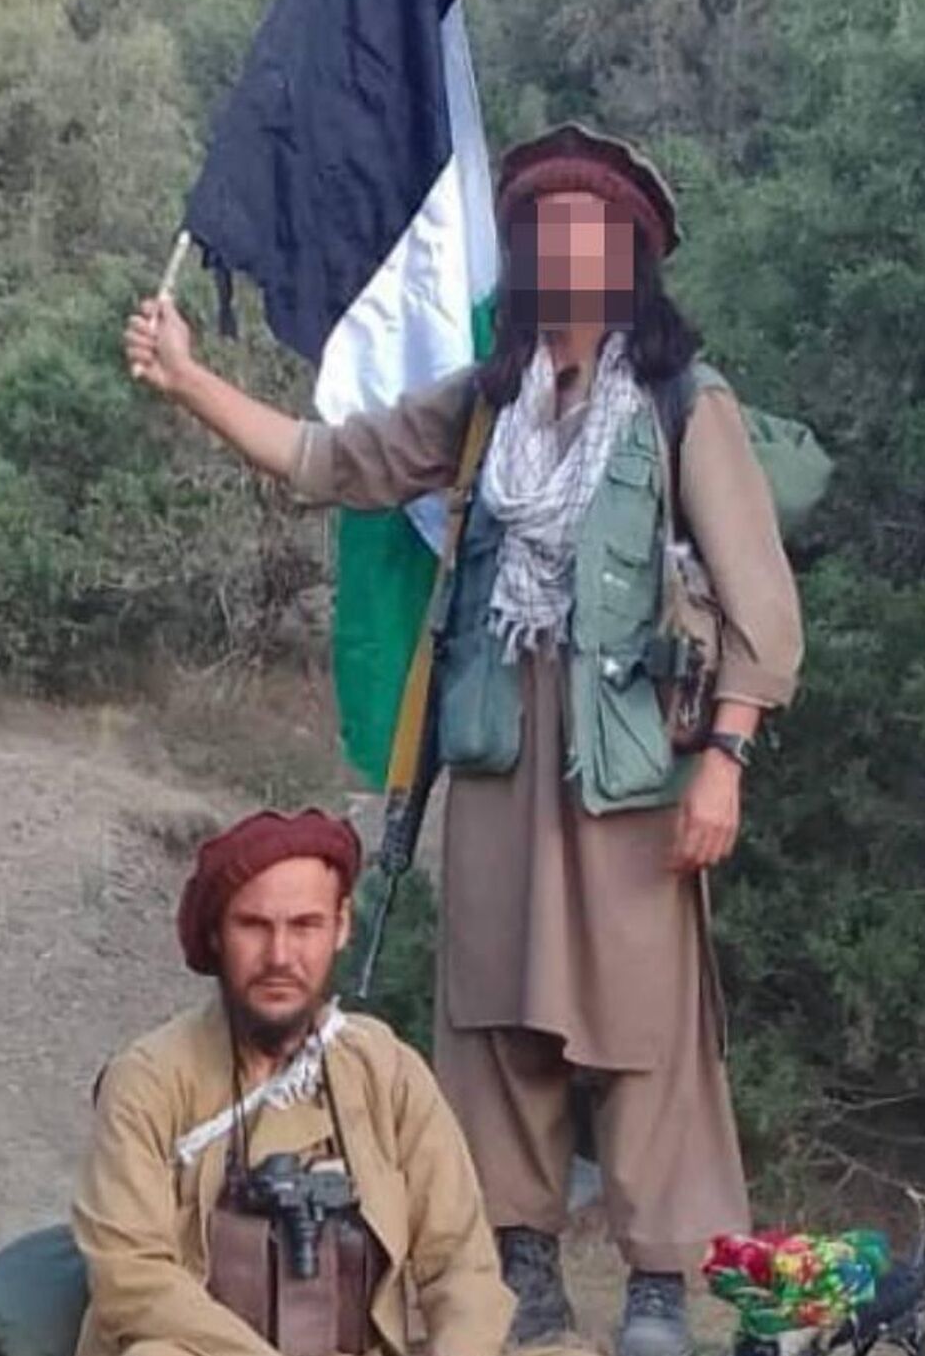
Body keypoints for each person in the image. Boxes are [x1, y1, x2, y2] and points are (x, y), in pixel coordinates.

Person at [123, 124, 804, 1356]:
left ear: (632, 259)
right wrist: (188, 380)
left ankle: (658, 1280)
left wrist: (726, 759)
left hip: (631, 765)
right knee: (494, 1010)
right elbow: (331, 461)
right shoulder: (487, 404)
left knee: (645, 1018)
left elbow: (762, 604)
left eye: (589, 234)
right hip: (498, 751)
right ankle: (517, 1256)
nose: (564, 255)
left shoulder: (683, 405)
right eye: (542, 233)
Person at [71, 807, 515, 1356]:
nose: (280, 956)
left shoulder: (386, 1071)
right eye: (253, 926)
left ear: (341, 927)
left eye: (305, 926)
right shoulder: (149, 1082)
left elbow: (462, 1265)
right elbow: (130, 1279)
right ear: (215, 934)